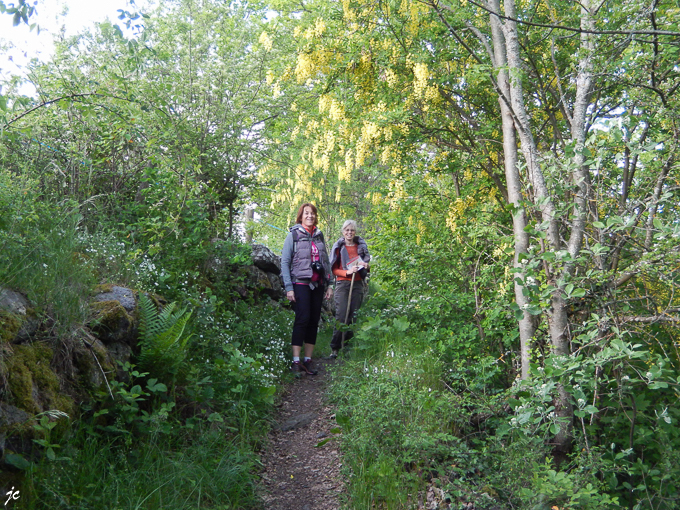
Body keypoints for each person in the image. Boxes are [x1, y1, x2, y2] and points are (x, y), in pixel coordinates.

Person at [281, 203, 333, 376]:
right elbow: (285, 262)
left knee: (313, 320)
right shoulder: (293, 235)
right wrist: (289, 287)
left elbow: (325, 261)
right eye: (306, 213)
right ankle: (296, 361)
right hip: (301, 283)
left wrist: (329, 284)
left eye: (312, 213)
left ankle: (308, 360)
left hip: (317, 284)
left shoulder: (319, 235)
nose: (310, 216)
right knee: (302, 318)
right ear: (301, 216)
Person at [329, 220, 370, 358]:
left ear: (355, 232)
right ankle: (335, 348)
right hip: (342, 284)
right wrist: (347, 272)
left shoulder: (361, 247)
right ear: (343, 232)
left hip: (357, 284)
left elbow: (366, 265)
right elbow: (334, 269)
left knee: (353, 316)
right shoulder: (338, 248)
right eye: (347, 230)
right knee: (341, 315)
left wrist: (365, 266)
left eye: (352, 230)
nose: (349, 233)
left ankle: (347, 347)